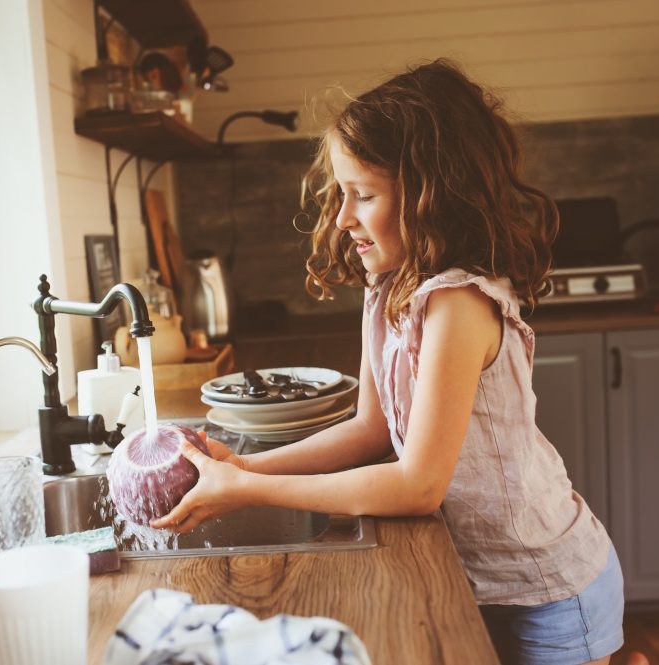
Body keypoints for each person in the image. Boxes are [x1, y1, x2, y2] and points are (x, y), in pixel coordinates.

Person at [150, 58, 623, 665]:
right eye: (341, 194)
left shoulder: (457, 305)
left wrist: (247, 491)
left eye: (363, 194)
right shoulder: (388, 289)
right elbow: (370, 430)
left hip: (548, 590)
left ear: (433, 195)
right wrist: (246, 467)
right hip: (479, 580)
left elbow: (419, 485)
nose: (343, 217)